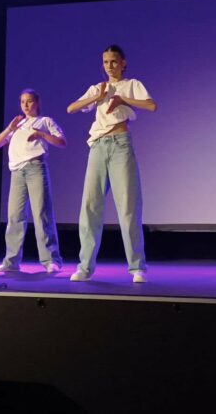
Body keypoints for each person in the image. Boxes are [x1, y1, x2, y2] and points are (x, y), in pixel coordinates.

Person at [67, 45, 156, 284]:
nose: (109, 66)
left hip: (120, 145)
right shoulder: (98, 87)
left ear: (123, 63)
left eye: (114, 61)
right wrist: (97, 97)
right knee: (90, 206)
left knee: (128, 206)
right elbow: (71, 108)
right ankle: (85, 267)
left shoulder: (131, 84)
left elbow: (151, 105)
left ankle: (137, 267)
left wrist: (121, 99)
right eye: (106, 62)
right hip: (98, 147)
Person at [0, 89, 66, 273]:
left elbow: (62, 141)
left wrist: (42, 135)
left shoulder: (45, 121)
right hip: (17, 172)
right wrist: (10, 128)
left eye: (29, 101)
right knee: (14, 216)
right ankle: (11, 261)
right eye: (22, 101)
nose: (25, 105)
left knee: (42, 214)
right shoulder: (17, 124)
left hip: (35, 168)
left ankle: (51, 260)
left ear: (37, 103)